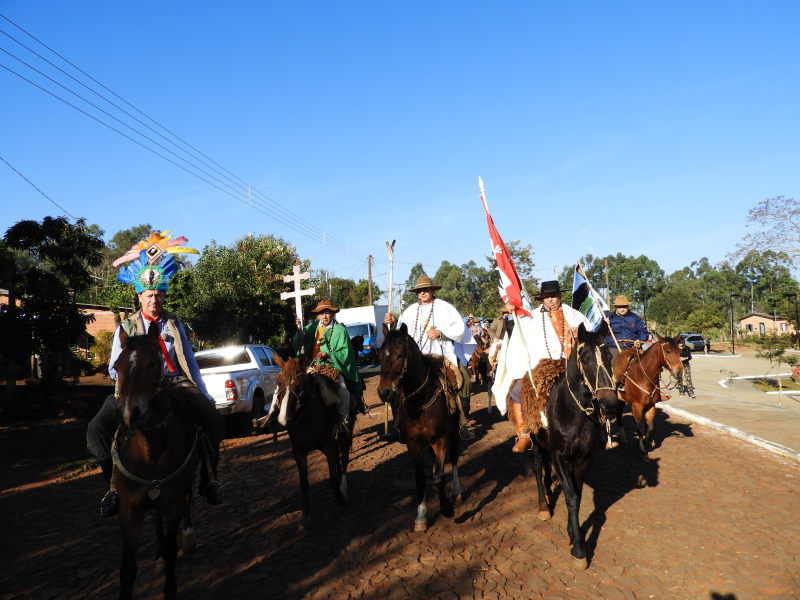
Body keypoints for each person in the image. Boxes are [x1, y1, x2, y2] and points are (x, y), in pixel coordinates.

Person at [87, 230, 225, 517]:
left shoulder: (174, 324)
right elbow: (114, 367)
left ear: (164, 296)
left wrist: (203, 392)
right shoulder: (125, 328)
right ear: (140, 296)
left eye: (158, 295)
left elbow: (189, 361)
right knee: (96, 428)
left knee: (212, 419)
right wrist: (128, 390)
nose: (154, 300)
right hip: (135, 387)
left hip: (176, 383)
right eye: (149, 295)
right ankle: (112, 487)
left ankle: (209, 479)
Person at [493, 280, 592, 452]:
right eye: (546, 297)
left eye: (553, 296)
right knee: (518, 391)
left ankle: (600, 431)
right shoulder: (530, 318)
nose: (550, 300)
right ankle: (524, 433)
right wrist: (510, 316)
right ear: (542, 299)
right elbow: (517, 338)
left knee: (597, 387)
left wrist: (583, 334)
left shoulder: (575, 316)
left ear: (560, 296)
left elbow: (591, 335)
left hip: (572, 365)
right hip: (540, 367)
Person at [383, 276, 477, 440]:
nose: (422, 292)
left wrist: (440, 333)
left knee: (465, 382)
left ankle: (462, 424)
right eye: (419, 290)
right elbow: (399, 336)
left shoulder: (445, 307)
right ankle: (398, 427)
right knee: (396, 383)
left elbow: (460, 330)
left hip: (442, 355)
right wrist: (392, 322)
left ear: (432, 290)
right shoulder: (410, 310)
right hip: (416, 358)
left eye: (425, 289)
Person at [293, 298, 364, 432]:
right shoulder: (311, 328)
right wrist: (299, 329)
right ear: (317, 315)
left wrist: (329, 355)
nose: (324, 316)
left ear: (332, 314)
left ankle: (343, 423)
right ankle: (275, 414)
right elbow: (298, 343)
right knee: (291, 385)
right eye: (321, 313)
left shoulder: (340, 330)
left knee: (343, 391)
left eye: (327, 313)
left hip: (333, 368)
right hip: (311, 367)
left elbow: (345, 353)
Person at [604, 295, 648, 364]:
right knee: (612, 365)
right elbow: (599, 333)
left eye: (624, 307)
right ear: (616, 307)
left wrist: (640, 341)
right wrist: (604, 325)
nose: (622, 309)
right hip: (613, 348)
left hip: (632, 347)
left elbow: (644, 332)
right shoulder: (608, 317)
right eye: (620, 307)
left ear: (627, 306)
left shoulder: (635, 317)